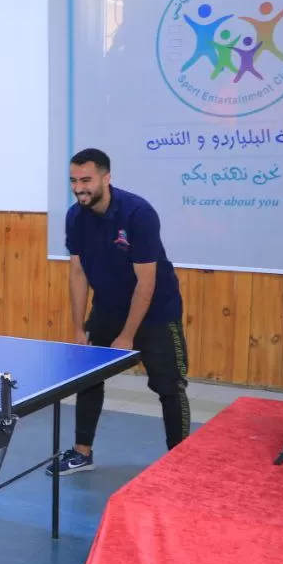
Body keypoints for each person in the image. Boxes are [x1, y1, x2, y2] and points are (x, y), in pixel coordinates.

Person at [48, 148, 190, 476]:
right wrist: (78, 329)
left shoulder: (138, 213)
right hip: (107, 309)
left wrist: (127, 336)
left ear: (106, 178)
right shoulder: (75, 216)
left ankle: (182, 462)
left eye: (86, 179)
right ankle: (82, 453)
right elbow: (78, 273)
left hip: (156, 313)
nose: (79, 187)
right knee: (88, 377)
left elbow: (147, 282)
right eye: (73, 180)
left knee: (170, 388)